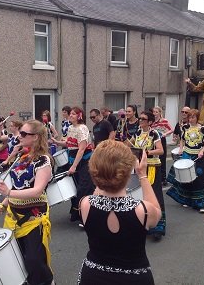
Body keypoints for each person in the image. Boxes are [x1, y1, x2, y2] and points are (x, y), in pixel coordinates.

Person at [78, 140, 161, 285]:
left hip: (93, 277)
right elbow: (157, 213)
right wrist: (142, 175)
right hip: (134, 279)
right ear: (129, 172)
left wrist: (101, 173)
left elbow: (98, 191)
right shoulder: (143, 211)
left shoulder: (85, 204)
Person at [0, 120, 54, 285]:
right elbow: (18, 187)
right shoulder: (21, 157)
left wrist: (8, 192)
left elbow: (37, 190)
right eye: (21, 133)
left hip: (33, 218)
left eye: (24, 134)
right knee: (19, 257)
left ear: (36, 137)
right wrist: (2, 204)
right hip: (14, 216)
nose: (19, 136)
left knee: (35, 260)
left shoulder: (44, 161)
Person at [52, 107, 95, 224]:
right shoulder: (71, 128)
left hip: (84, 161)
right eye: (70, 114)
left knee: (84, 188)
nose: (70, 115)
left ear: (79, 116)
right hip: (73, 159)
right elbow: (69, 143)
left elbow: (81, 149)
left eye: (73, 114)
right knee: (74, 187)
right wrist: (56, 142)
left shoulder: (82, 129)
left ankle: (86, 216)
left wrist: (74, 166)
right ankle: (76, 211)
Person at [129, 111, 165, 240]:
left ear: (150, 122)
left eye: (143, 119)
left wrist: (147, 152)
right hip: (139, 167)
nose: (140, 120)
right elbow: (129, 144)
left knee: (154, 194)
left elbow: (161, 150)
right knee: (140, 195)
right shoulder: (138, 132)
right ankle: (143, 223)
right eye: (140, 118)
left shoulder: (154, 134)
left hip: (152, 167)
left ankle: (158, 228)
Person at [166, 109, 204, 213]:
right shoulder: (185, 128)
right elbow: (182, 140)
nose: (190, 119)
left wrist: (202, 151)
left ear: (197, 118)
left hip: (198, 156)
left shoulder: (202, 129)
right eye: (190, 117)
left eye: (193, 117)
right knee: (186, 178)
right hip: (187, 154)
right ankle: (186, 199)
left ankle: (200, 204)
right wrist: (181, 149)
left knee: (199, 179)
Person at [167, 107, 190, 185]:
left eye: (186, 112)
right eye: (182, 111)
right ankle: (178, 180)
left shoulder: (191, 124)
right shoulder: (179, 123)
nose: (184, 113)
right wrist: (174, 137)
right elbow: (176, 132)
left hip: (190, 147)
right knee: (178, 164)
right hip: (181, 145)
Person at [151, 106, 174, 186]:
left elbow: (171, 129)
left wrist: (165, 134)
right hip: (154, 141)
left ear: (160, 113)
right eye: (154, 112)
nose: (155, 114)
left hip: (161, 140)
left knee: (162, 158)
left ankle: (163, 178)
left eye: (156, 112)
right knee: (155, 159)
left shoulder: (164, 121)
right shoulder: (152, 122)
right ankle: (156, 177)